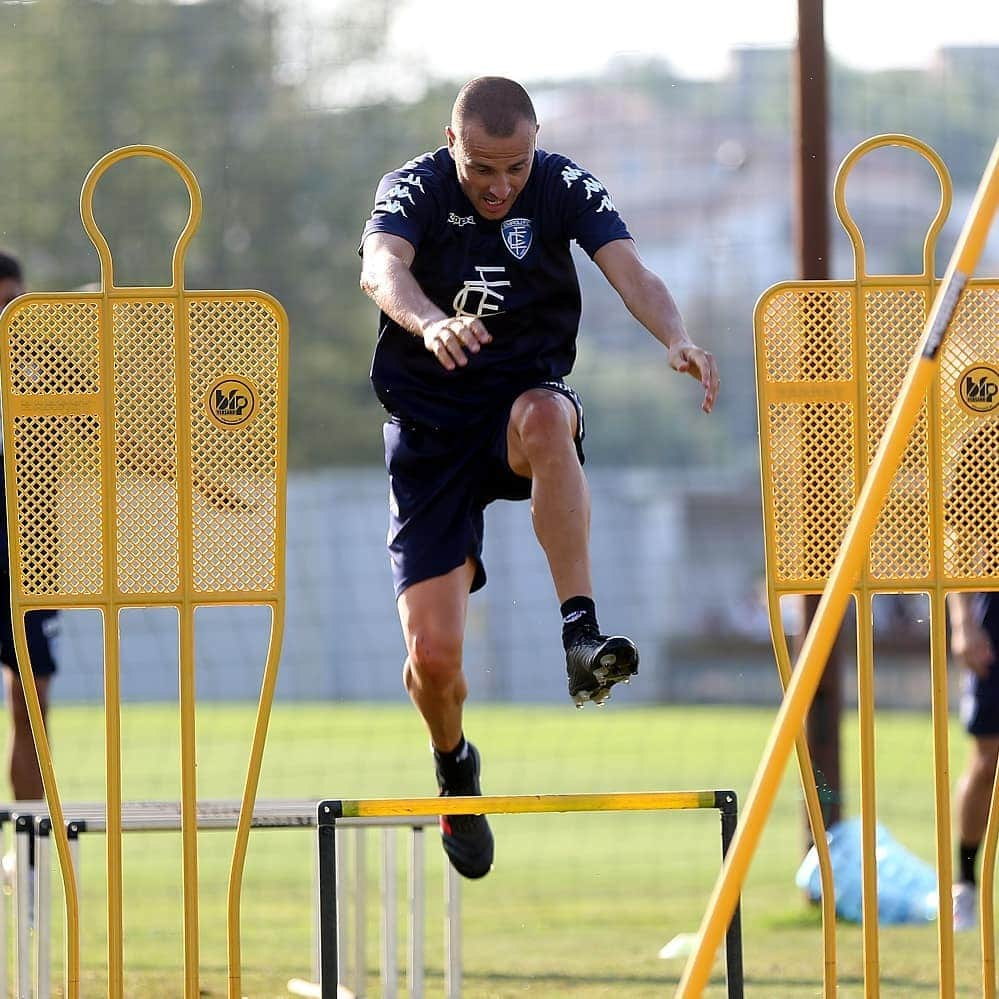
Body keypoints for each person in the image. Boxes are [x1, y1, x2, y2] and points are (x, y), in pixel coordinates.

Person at [358, 77, 719, 880]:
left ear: (534, 146)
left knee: (549, 417)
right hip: (429, 435)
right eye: (482, 167)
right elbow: (381, 269)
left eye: (513, 167)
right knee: (434, 661)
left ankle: (579, 632)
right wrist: (430, 321)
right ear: (451, 143)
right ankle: (453, 760)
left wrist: (676, 337)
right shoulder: (410, 187)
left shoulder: (561, 182)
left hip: (520, 403)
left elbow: (632, 271)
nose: (499, 185)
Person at [0, 250, 61, 804]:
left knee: (31, 703)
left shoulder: (46, 360)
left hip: (32, 550)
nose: (7, 314)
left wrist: (197, 479)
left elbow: (113, 433)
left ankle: (28, 847)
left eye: (15, 302)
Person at [949, 589, 999, 931]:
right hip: (993, 619)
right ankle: (965, 882)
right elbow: (959, 537)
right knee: (986, 763)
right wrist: (962, 620)